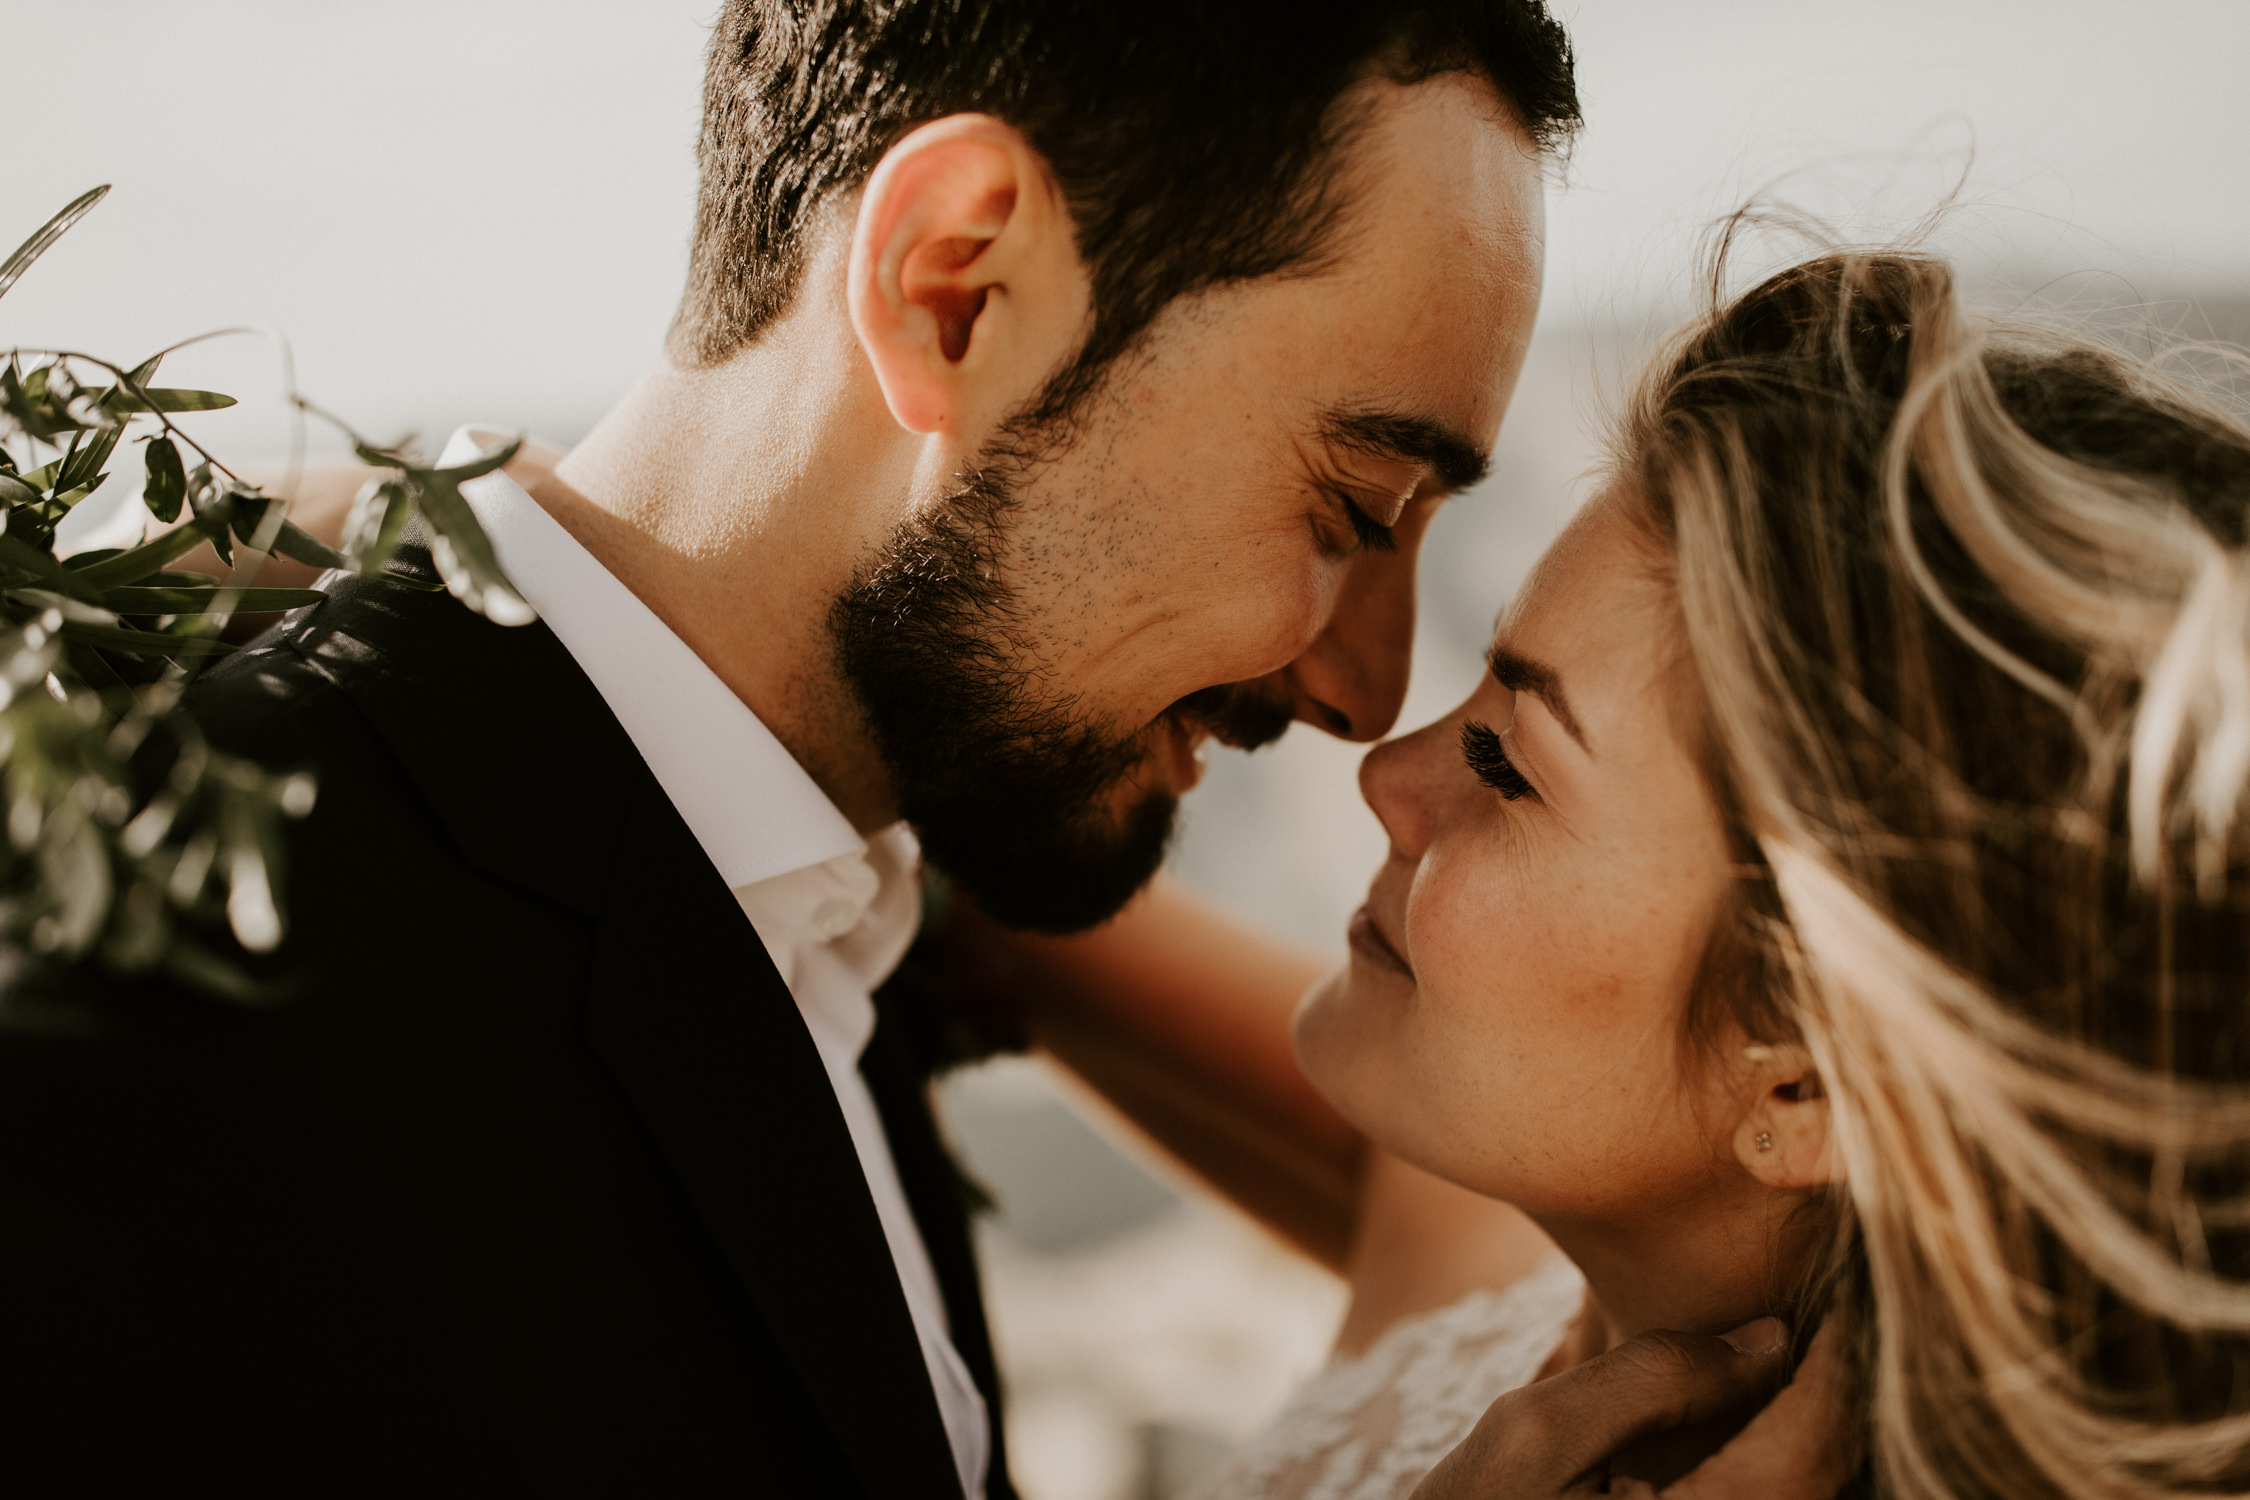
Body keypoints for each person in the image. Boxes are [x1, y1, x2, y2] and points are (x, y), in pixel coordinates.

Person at [0, 4, 1845, 1496]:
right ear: (953, 286)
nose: (1370, 698)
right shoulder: (169, 1002)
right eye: (1352, 503)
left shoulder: (848, 900)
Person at [992, 242, 2250, 1498]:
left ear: (1808, 1082)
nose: (1386, 771)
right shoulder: (1510, 1274)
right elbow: (1359, 1154)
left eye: (1505, 764)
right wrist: (929, 885)